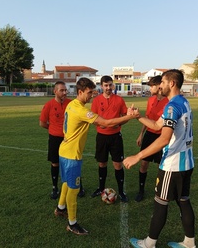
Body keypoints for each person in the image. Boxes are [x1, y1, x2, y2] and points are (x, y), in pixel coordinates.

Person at [54, 77, 139, 235]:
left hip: (63, 151)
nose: (92, 95)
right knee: (73, 189)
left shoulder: (71, 104)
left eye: (93, 92)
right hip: (72, 155)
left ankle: (60, 208)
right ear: (80, 92)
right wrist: (129, 117)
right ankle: (72, 224)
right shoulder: (81, 110)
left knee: (66, 182)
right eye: (89, 92)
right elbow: (105, 123)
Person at [123, 69, 196, 248]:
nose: (160, 85)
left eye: (162, 82)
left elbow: (163, 138)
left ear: (171, 83)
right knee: (183, 202)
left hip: (173, 165)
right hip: (187, 162)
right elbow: (156, 125)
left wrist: (137, 156)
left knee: (160, 204)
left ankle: (149, 243)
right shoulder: (183, 102)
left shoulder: (172, 106)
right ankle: (189, 243)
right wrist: (138, 117)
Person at [40, 81, 85, 199]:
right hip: (55, 138)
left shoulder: (71, 103)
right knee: (55, 163)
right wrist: (53, 129)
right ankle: (55, 188)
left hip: (69, 139)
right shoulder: (48, 105)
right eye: (62, 90)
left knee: (73, 162)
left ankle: (78, 185)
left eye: (65, 90)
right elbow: (42, 123)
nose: (65, 92)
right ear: (55, 91)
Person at [90, 75, 129, 202]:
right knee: (102, 163)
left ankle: (122, 191)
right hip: (101, 136)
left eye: (110, 85)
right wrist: (99, 124)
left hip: (115, 137)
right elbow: (93, 119)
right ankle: (101, 188)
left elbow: (125, 116)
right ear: (101, 86)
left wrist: (120, 123)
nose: (108, 88)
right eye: (106, 85)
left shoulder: (119, 100)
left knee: (117, 164)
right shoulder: (96, 101)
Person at [135, 75, 168, 202]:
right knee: (144, 163)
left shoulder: (168, 102)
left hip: (162, 136)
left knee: (162, 165)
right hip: (149, 134)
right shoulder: (150, 100)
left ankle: (161, 191)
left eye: (152, 86)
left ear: (159, 86)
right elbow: (147, 118)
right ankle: (141, 190)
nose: (150, 88)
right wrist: (141, 134)